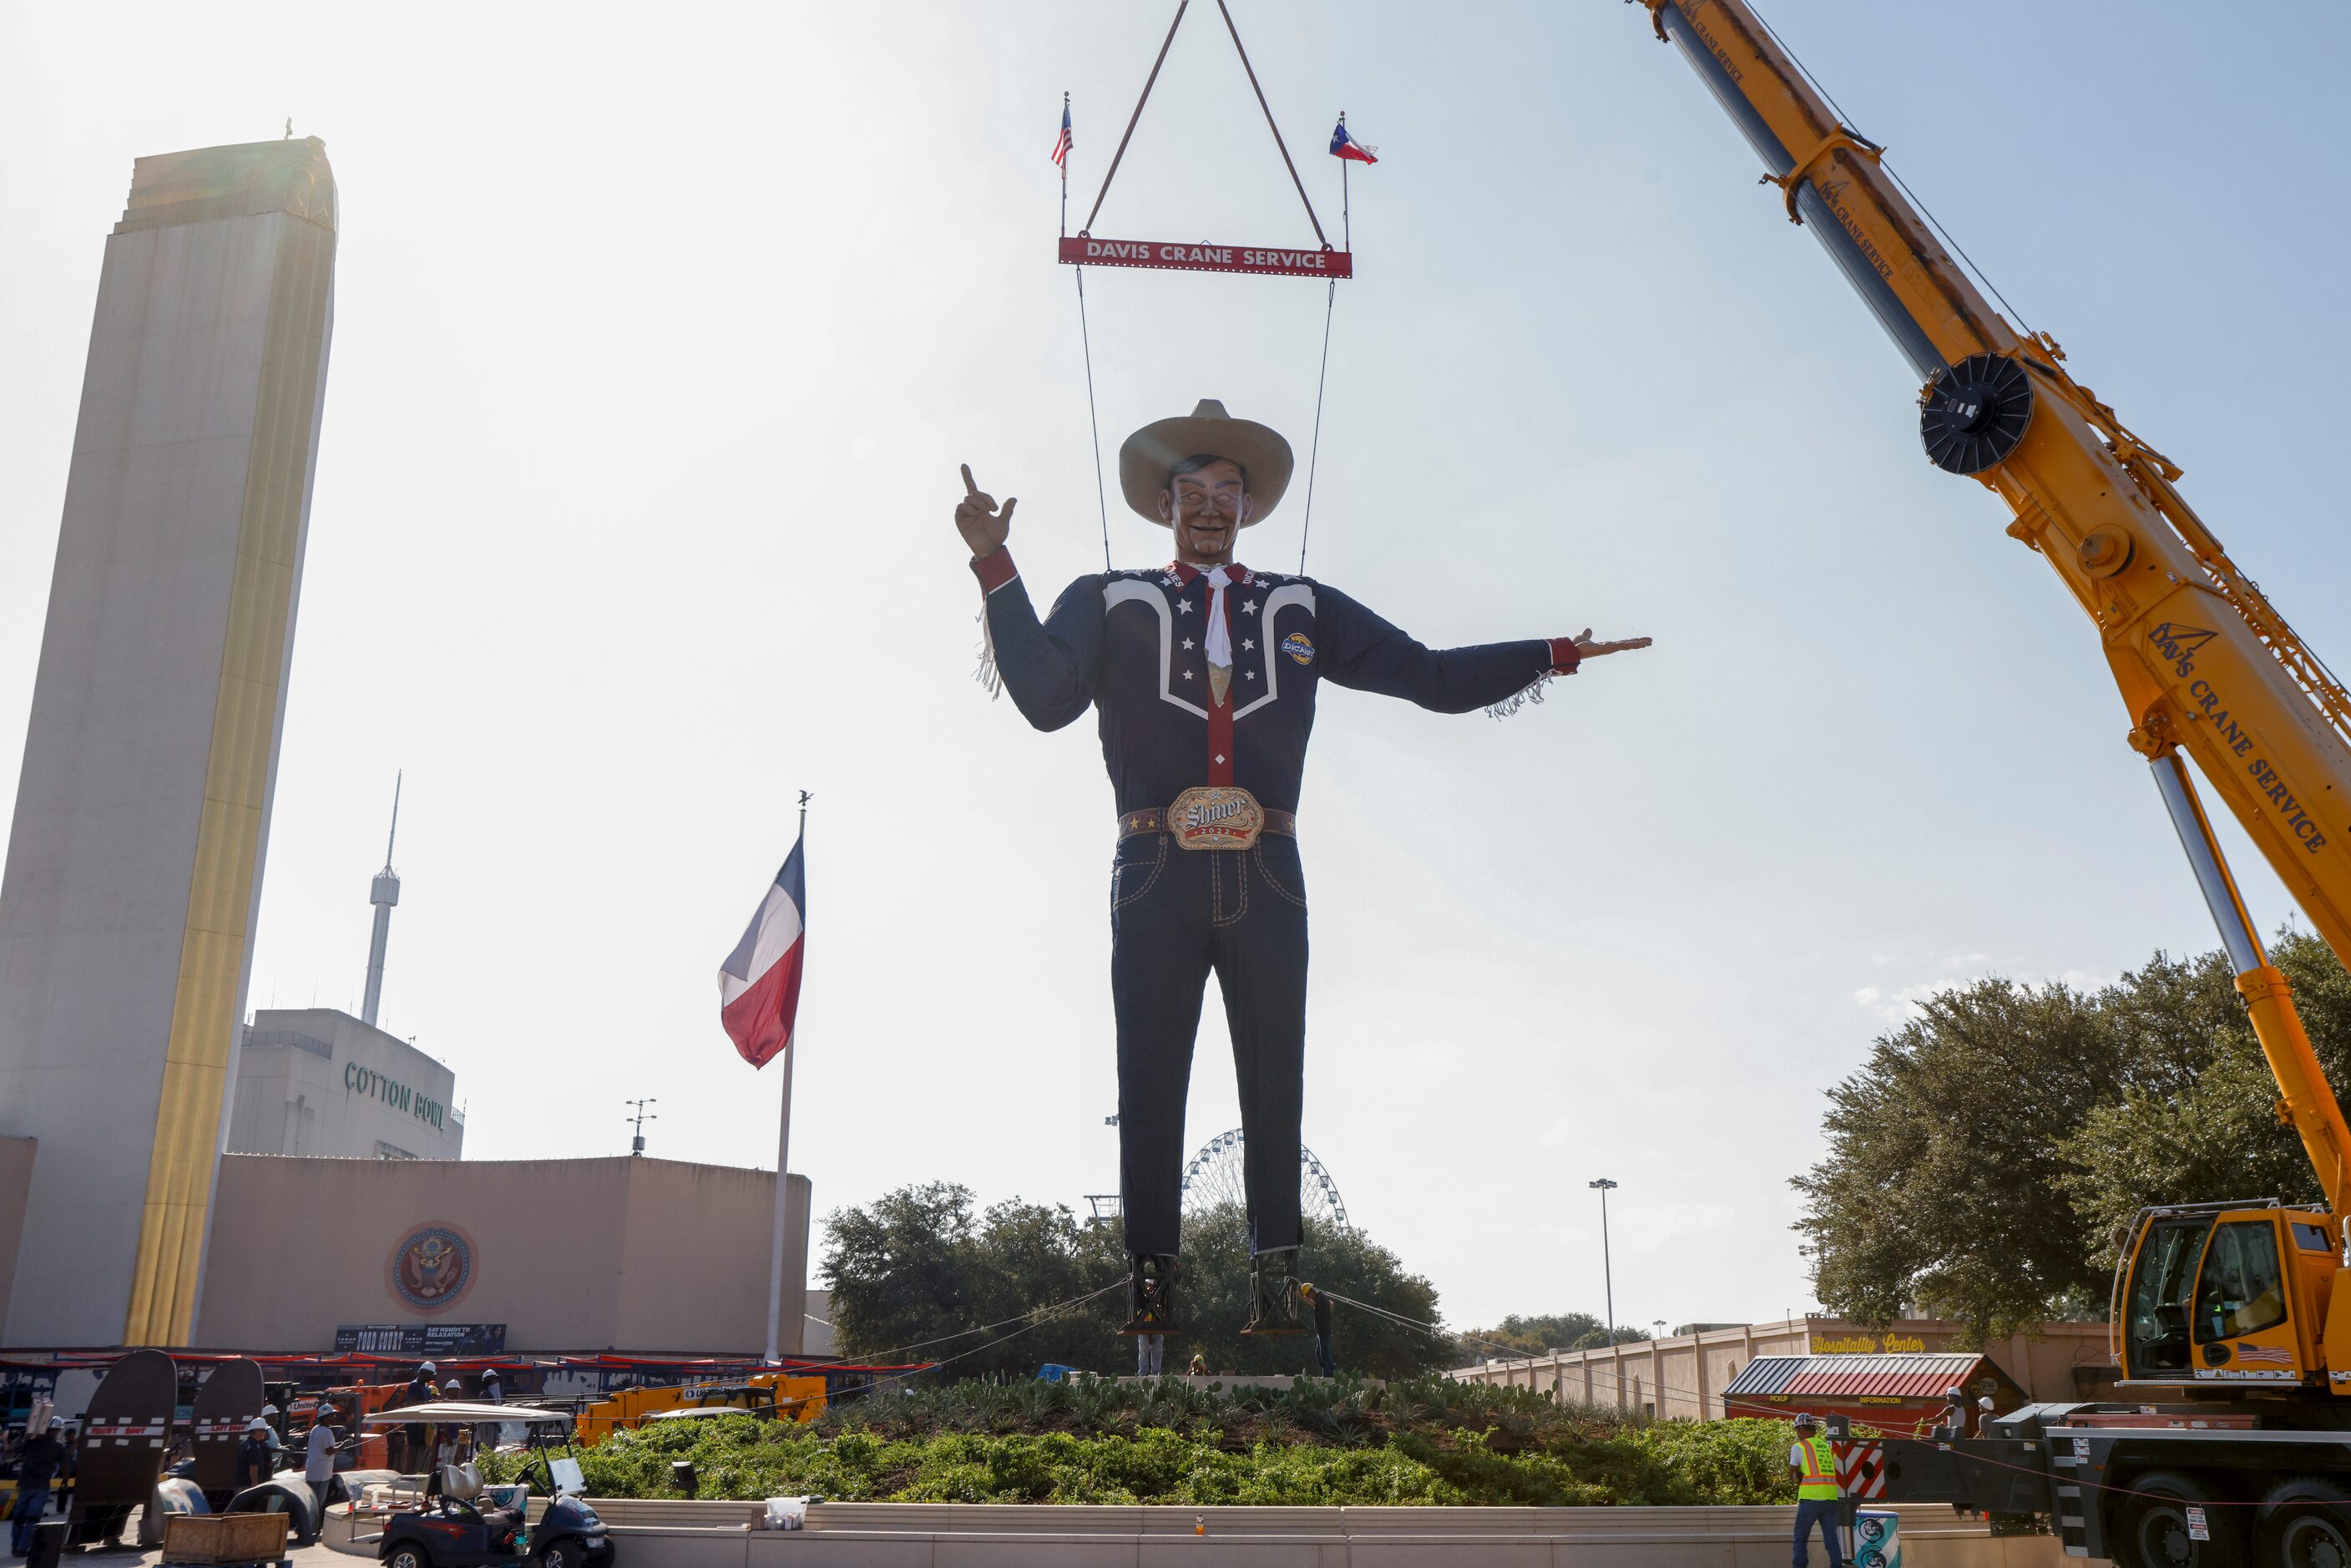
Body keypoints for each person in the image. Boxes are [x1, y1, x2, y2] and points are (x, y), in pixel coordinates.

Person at [957, 404, 1650, 1338]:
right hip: (1153, 859)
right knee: (1148, 1071)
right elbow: (1044, 699)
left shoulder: (1300, 605)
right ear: (1163, 503)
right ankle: (1150, 1282)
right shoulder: (1108, 596)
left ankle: (1274, 1285)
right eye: (1192, 492)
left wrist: (1553, 653)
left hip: (1266, 862)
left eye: (1227, 492)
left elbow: (1430, 676)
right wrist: (996, 566)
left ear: (1248, 505)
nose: (1210, 508)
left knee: (1274, 1071)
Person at [1787, 1412, 1845, 1568]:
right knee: (1831, 1539)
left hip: (1810, 1499)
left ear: (1800, 1429)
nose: (1797, 1434)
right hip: (1830, 1499)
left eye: (1797, 1430)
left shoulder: (1800, 1447)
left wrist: (1796, 1477)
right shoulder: (1826, 1447)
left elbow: (1792, 1473)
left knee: (1800, 1538)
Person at [8, 1417, 64, 1555]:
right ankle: (23, 1548)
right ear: (57, 1430)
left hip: (25, 1485)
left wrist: (23, 1436)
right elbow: (65, 1465)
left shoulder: (31, 1443)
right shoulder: (58, 1447)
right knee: (32, 1519)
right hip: (41, 1486)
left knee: (19, 1518)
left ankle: (15, 1546)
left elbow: (12, 1449)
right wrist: (65, 1481)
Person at [302, 1407, 342, 1520]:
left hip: (312, 1470)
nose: (334, 1417)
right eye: (331, 1416)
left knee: (310, 1502)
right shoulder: (326, 1432)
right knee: (318, 1503)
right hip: (321, 1473)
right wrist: (343, 1446)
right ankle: (312, 1528)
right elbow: (329, 1451)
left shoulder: (315, 1429)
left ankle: (302, 1525)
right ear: (325, 1418)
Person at [231, 1417, 277, 1493]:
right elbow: (253, 1466)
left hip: (241, 1483)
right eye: (264, 1430)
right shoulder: (254, 1446)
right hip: (248, 1485)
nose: (265, 1433)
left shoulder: (245, 1443)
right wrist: (255, 1483)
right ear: (258, 1431)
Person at [1301, 1282, 1336, 1377]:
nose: (1308, 1297)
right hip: (1321, 1331)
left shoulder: (1319, 1297)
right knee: (1318, 1352)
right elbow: (1330, 1304)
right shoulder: (1321, 1297)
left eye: (1308, 1295)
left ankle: (1333, 1371)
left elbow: (1312, 1303)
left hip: (1324, 1329)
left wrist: (1299, 1296)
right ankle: (1326, 1372)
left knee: (1324, 1353)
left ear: (1311, 1292)